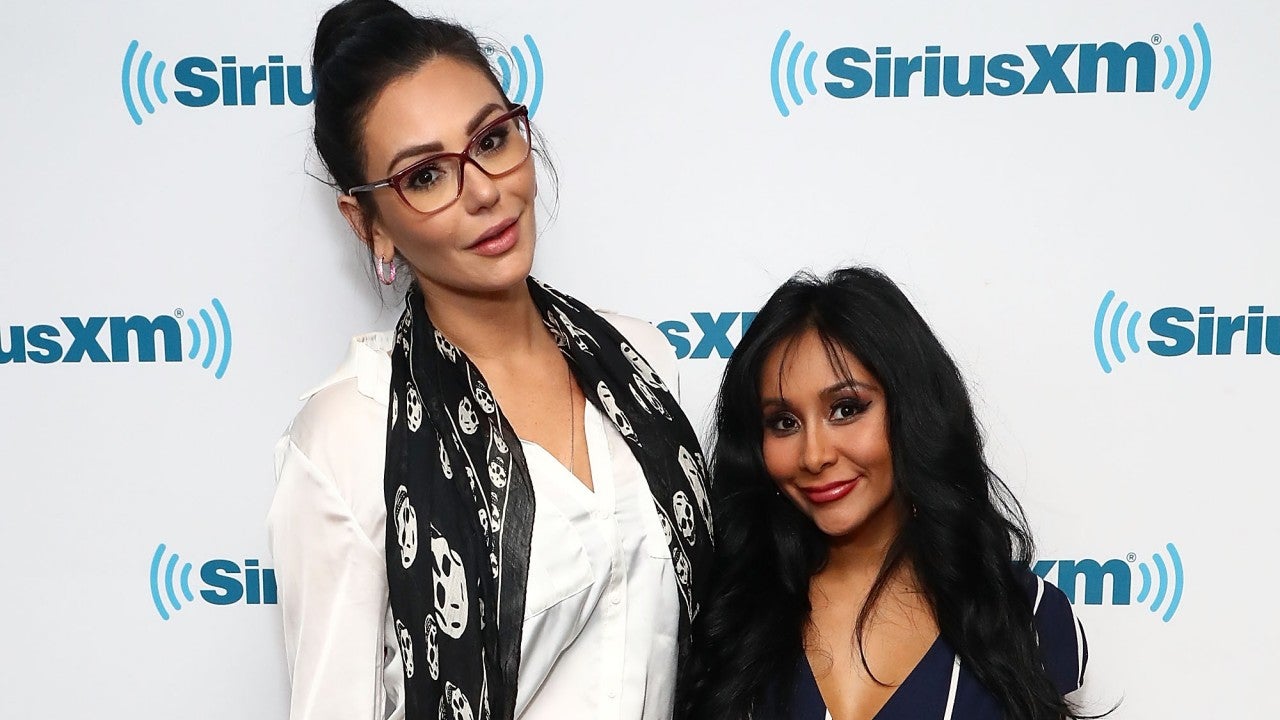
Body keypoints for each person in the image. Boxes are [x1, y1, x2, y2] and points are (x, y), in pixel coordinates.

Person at [266, 2, 713, 719]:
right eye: (424, 176)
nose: (483, 190)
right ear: (369, 223)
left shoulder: (642, 364)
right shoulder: (349, 434)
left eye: (493, 139)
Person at [689, 267, 1089, 720]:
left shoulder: (1031, 617)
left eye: (846, 409)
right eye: (784, 422)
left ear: (911, 410)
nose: (814, 455)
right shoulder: (720, 618)